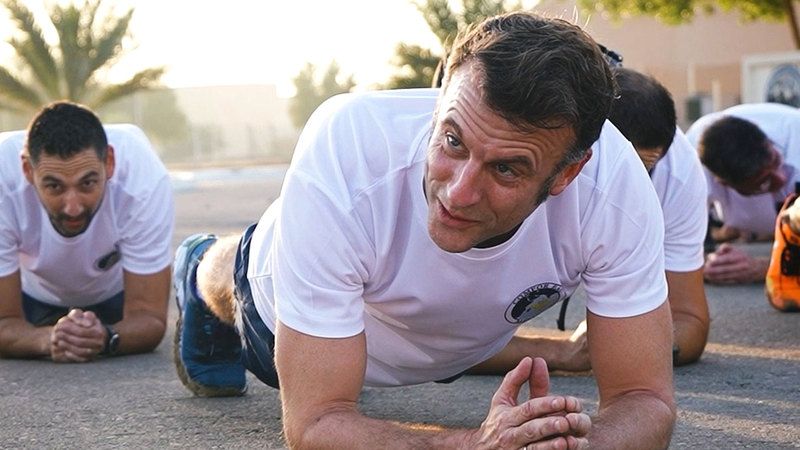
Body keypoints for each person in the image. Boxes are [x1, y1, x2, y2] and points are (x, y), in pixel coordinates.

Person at [174, 12, 676, 449]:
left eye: (505, 169)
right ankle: (197, 263)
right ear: (436, 107)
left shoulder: (615, 190)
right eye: (452, 141)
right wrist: (474, 444)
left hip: (459, 339)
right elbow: (315, 422)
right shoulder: (349, 146)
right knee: (238, 270)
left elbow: (646, 400)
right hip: (276, 309)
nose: (458, 192)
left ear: (567, 173)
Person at [531, 68, 711, 370]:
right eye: (618, 171)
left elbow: (689, 319)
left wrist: (637, 345)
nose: (629, 188)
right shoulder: (528, 155)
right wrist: (560, 352)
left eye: (644, 171)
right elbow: (449, 343)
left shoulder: (679, 176)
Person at [0, 102, 173, 363]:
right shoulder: (2, 179)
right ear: (28, 171)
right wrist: (47, 339)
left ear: (110, 162)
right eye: (54, 186)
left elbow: (149, 318)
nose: (73, 207)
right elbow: (5, 321)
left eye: (87, 183)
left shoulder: (143, 179)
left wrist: (106, 336)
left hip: (114, 297)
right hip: (32, 300)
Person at [686, 102, 800, 284]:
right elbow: (673, 245)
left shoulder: (794, 141)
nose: (781, 178)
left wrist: (764, 267)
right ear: (724, 184)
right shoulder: (688, 165)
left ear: (769, 141)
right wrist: (711, 265)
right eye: (764, 182)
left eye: (776, 159)